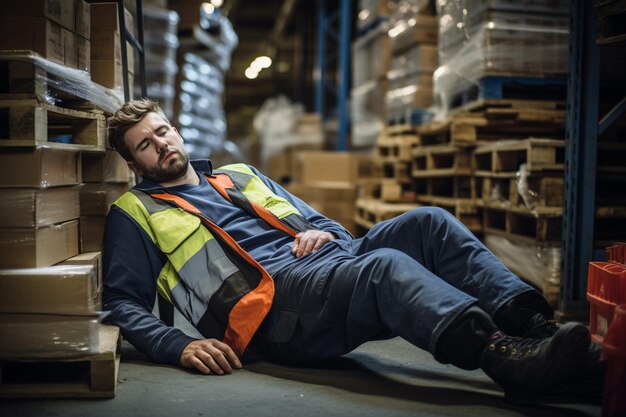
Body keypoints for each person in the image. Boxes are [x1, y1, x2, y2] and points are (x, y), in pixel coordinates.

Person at [103, 99, 600, 405]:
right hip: (275, 306)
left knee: (428, 222)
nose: (161, 144)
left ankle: (536, 330)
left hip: (323, 260)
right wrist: (176, 345)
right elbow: (121, 302)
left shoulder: (238, 174)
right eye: (145, 144)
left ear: (177, 129)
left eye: (162, 130)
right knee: (384, 268)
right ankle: (506, 358)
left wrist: (327, 233)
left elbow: (317, 220)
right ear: (134, 163)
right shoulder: (134, 212)